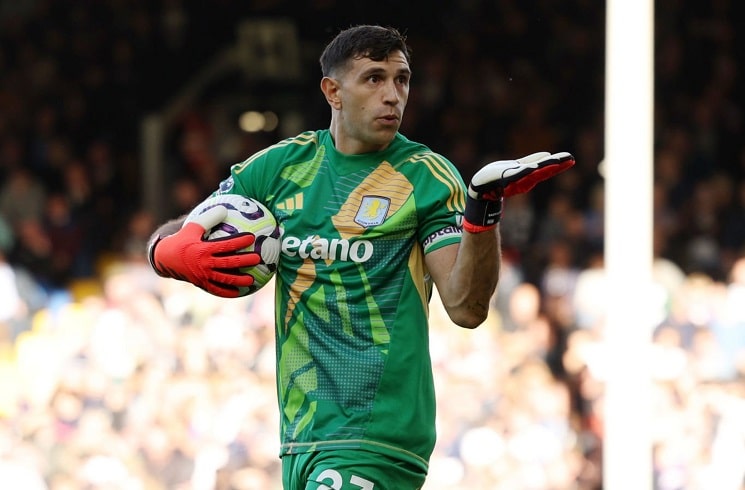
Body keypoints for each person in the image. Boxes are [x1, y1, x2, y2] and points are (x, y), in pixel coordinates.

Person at [147, 25, 574, 490]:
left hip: (376, 432)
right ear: (332, 91)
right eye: (374, 78)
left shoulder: (426, 177)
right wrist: (165, 250)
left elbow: (466, 307)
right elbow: (195, 225)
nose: (393, 95)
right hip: (301, 435)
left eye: (402, 80)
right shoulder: (277, 169)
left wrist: (483, 210)